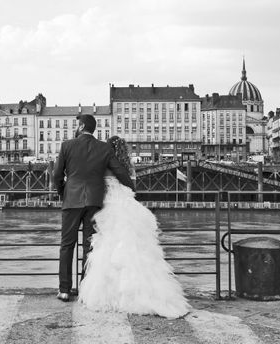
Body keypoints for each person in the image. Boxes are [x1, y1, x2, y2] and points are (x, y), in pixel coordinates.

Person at [78, 136, 190, 319]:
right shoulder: (129, 167)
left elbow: (98, 186)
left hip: (110, 207)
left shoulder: (104, 164)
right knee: (136, 249)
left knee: (108, 248)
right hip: (127, 205)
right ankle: (145, 292)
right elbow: (133, 187)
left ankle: (113, 295)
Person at [53, 114, 134, 302]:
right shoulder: (104, 148)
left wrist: (62, 192)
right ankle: (85, 289)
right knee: (89, 246)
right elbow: (120, 171)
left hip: (71, 200)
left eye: (77, 124)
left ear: (81, 126)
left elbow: (57, 175)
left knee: (67, 245)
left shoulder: (67, 145)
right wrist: (132, 188)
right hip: (94, 202)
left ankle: (64, 289)